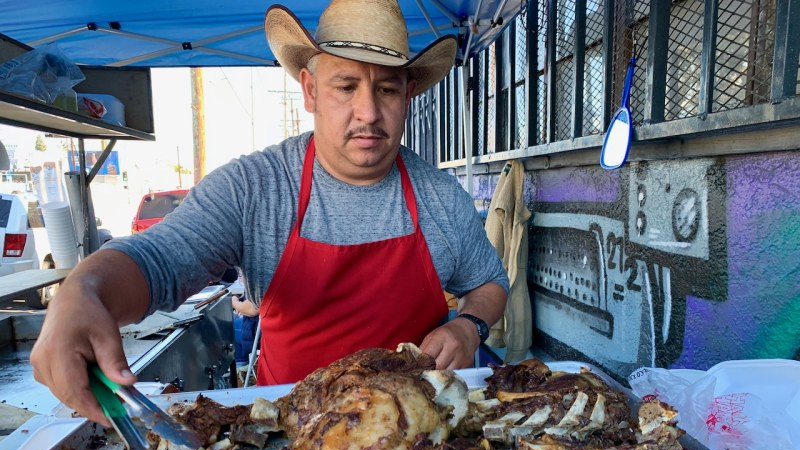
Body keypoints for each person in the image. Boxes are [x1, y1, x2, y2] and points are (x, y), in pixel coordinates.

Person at [30, 0, 508, 426]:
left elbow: (490, 283)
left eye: (386, 90)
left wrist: (470, 326)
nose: (367, 111)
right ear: (310, 90)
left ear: (408, 95)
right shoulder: (255, 189)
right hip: (291, 436)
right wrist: (85, 289)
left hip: (418, 430)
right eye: (345, 86)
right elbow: (158, 258)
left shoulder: (439, 196)